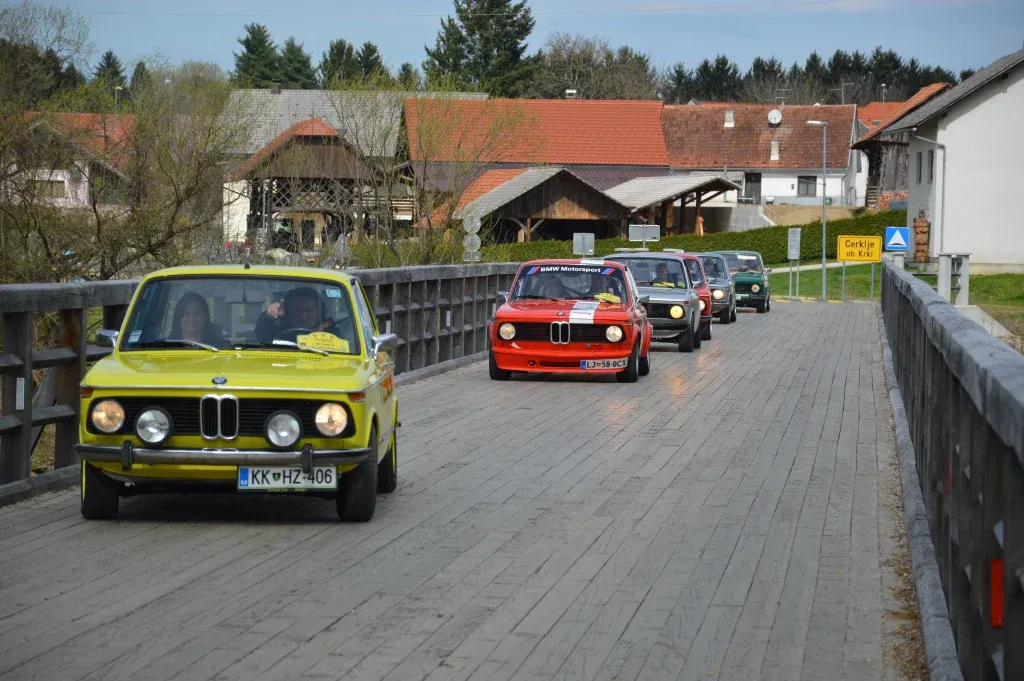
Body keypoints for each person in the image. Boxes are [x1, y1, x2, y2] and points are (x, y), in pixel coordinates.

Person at [253, 286, 355, 347]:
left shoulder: (333, 334)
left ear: (319, 312)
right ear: (288, 313)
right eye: (297, 310)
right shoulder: (276, 332)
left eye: (309, 310)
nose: (303, 316)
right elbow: (261, 335)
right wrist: (268, 316)